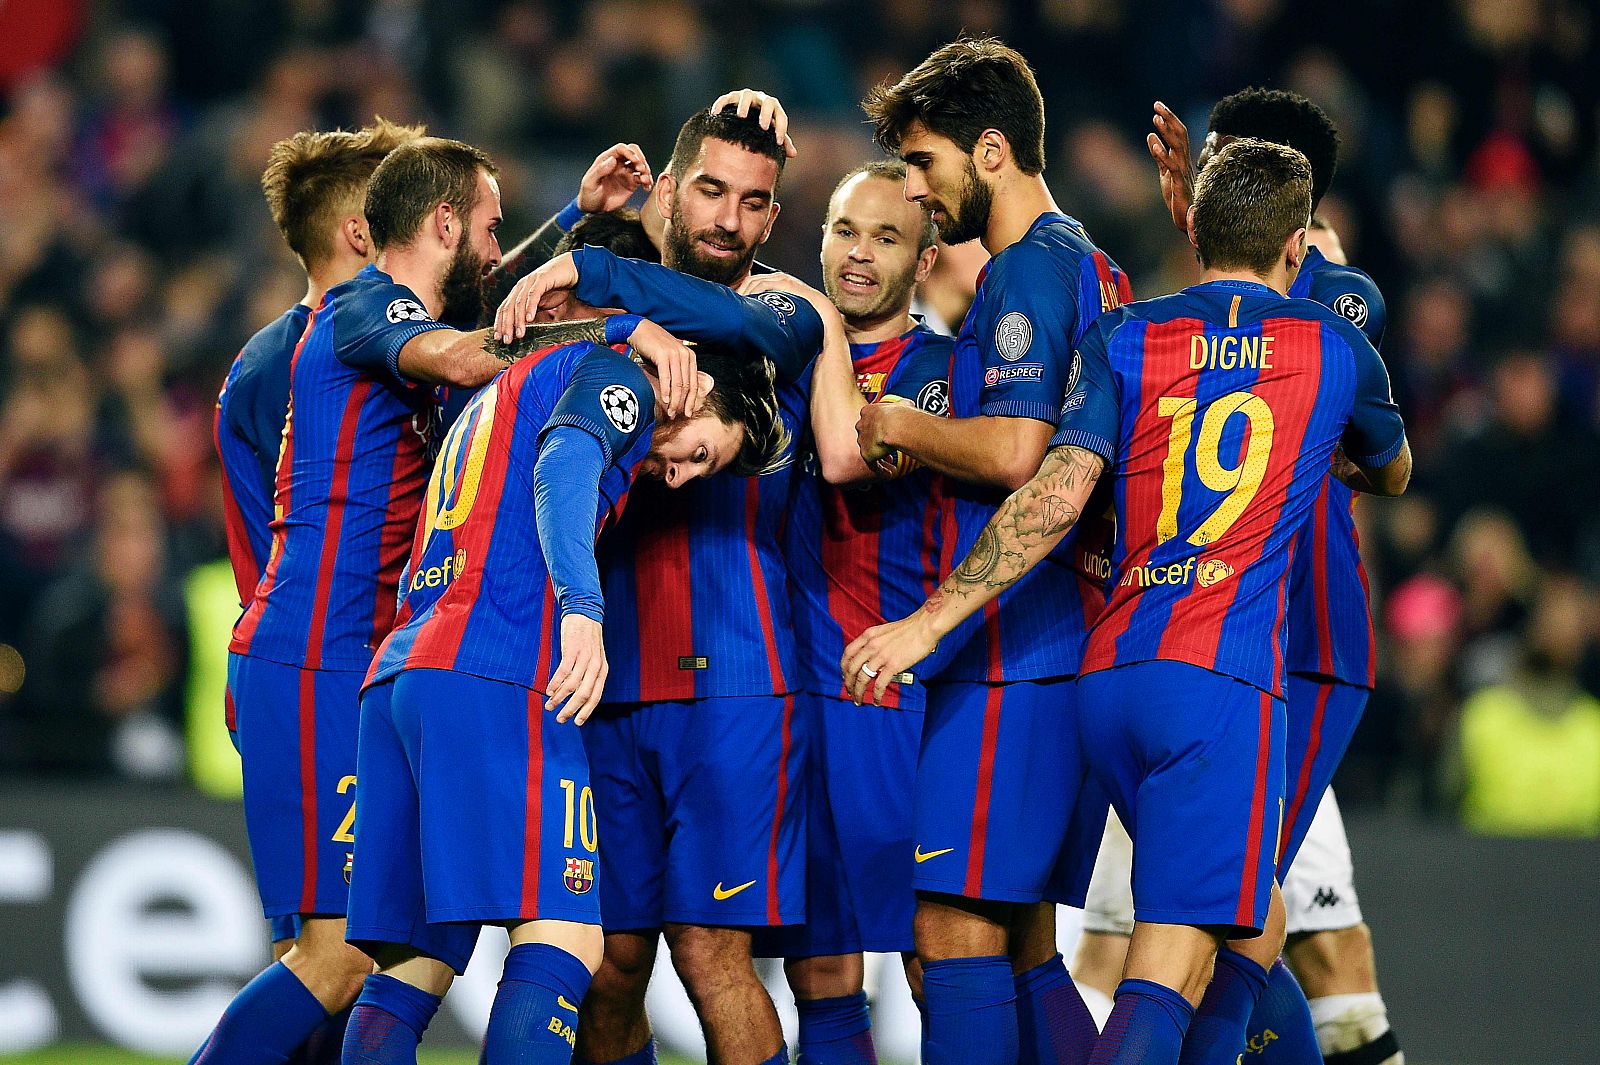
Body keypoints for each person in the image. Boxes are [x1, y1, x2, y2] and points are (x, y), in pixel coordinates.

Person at [842, 138, 1411, 1065]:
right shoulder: (1334, 345)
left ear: (1195, 235)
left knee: (1246, 928)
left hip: (1107, 677)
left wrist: (927, 623)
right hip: (1219, 682)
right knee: (1167, 979)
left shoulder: (1126, 336)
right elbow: (1390, 468)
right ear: (1295, 246)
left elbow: (1055, 493)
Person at [198, 135, 698, 1065]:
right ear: (426, 224)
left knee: (392, 954)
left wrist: (577, 221)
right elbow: (478, 349)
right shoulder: (361, 308)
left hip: (381, 653)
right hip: (322, 649)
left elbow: (493, 316)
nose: (499, 250)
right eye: (490, 226)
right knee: (337, 955)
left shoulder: (404, 335)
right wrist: (623, 324)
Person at [341, 336, 789, 1065]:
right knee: (568, 939)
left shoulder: (503, 390)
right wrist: (582, 607)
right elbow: (564, 466)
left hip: (405, 668)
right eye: (701, 453)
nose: (678, 476)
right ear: (695, 385)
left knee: (407, 969)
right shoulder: (620, 378)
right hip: (495, 669)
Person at [1064, 87, 1398, 1065]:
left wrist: (1226, 244)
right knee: (1253, 924)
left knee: (1214, 932)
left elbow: (1282, 346)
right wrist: (1208, 240)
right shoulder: (1207, 299)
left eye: (1224, 160)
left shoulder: (1337, 293)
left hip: (1291, 646)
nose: (1205, 173)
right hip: (1212, 647)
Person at [496, 103, 822, 1065]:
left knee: (713, 954)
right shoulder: (615, 318)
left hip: (735, 680)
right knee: (607, 965)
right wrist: (572, 228)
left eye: (754, 202)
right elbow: (495, 328)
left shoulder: (787, 309)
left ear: (773, 217)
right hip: (600, 681)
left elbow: (739, 334)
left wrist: (596, 270)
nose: (729, 219)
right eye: (712, 191)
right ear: (669, 191)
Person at [850, 36, 1130, 1065]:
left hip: (1017, 647)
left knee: (951, 932)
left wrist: (904, 424)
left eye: (925, 164)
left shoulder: (1025, 274)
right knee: (1020, 946)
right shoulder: (1090, 262)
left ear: (993, 151)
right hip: (1062, 635)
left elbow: (1019, 452)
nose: (916, 191)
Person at [213, 121, 424, 1034]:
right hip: (315, 666)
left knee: (360, 959)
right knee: (330, 957)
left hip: (359, 670)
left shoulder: (369, 339)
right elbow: (287, 544)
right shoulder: (293, 362)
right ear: (362, 232)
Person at [759, 160, 951, 1065]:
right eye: (845, 231)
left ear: (925, 260)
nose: (859, 255)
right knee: (821, 969)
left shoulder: (940, 372)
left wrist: (820, 326)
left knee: (934, 959)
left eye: (886, 237)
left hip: (893, 697)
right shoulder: (782, 363)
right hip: (795, 696)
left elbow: (862, 457)